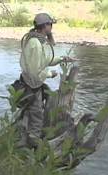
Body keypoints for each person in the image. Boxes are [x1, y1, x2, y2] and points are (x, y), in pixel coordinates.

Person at [17, 13, 74, 147]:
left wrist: (62, 58)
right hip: (31, 85)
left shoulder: (36, 41)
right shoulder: (35, 44)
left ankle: (27, 139)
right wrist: (50, 74)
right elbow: (35, 71)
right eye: (50, 24)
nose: (51, 28)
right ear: (45, 26)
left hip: (31, 83)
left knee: (33, 112)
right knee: (37, 117)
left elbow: (45, 61)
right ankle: (33, 145)